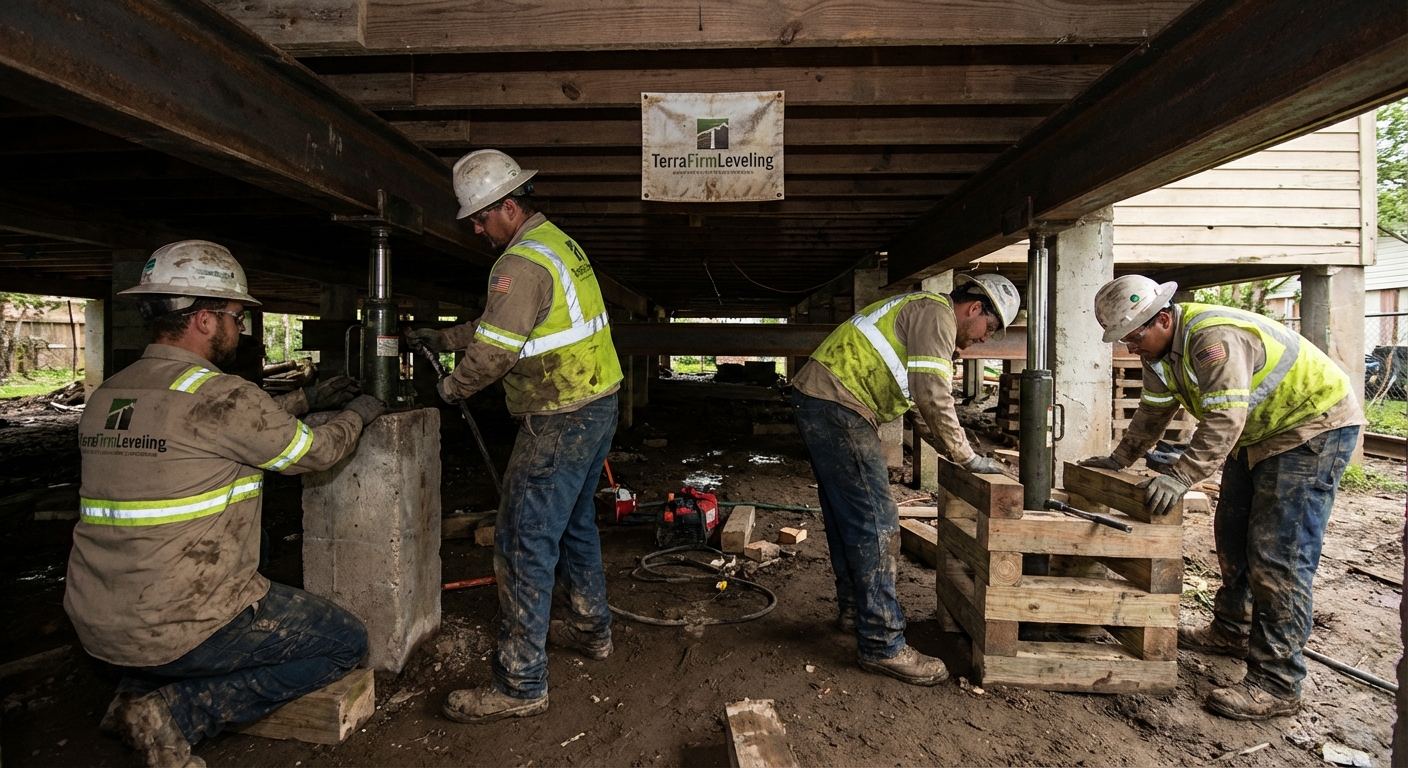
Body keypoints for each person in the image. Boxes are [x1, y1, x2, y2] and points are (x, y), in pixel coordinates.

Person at [67, 240, 386, 767]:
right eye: (238, 315)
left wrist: (307, 398)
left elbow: (209, 428)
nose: (243, 328)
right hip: (180, 624)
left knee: (250, 540)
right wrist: (361, 411)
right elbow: (317, 449)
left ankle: (130, 691)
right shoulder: (224, 397)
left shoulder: (110, 394)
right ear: (205, 320)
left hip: (97, 622)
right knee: (345, 644)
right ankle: (178, 713)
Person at [1079, 274, 1363, 720]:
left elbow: (1225, 417)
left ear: (1163, 318)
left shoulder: (1213, 339)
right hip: (1257, 434)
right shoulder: (1159, 357)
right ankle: (1233, 629)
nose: (1130, 348)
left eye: (1133, 337)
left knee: (1278, 555)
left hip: (1310, 428)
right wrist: (1119, 459)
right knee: (1231, 535)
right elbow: (1153, 411)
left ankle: (1277, 682)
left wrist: (1182, 475)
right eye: (1123, 340)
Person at [408, 149, 622, 724]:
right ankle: (589, 627)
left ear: (507, 206)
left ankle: (521, 683)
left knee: (523, 542)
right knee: (576, 524)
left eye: (480, 217)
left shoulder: (519, 263)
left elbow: (496, 351)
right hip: (597, 403)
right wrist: (446, 337)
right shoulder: (555, 243)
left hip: (559, 415)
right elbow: (507, 321)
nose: (476, 229)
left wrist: (450, 390)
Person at [789, 274, 1020, 685]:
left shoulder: (923, 318)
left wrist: (957, 451)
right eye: (992, 328)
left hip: (822, 400)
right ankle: (883, 644)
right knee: (877, 521)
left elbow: (919, 406)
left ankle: (854, 612)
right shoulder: (936, 314)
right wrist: (966, 456)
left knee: (848, 516)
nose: (986, 340)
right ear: (974, 309)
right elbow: (933, 395)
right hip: (839, 404)